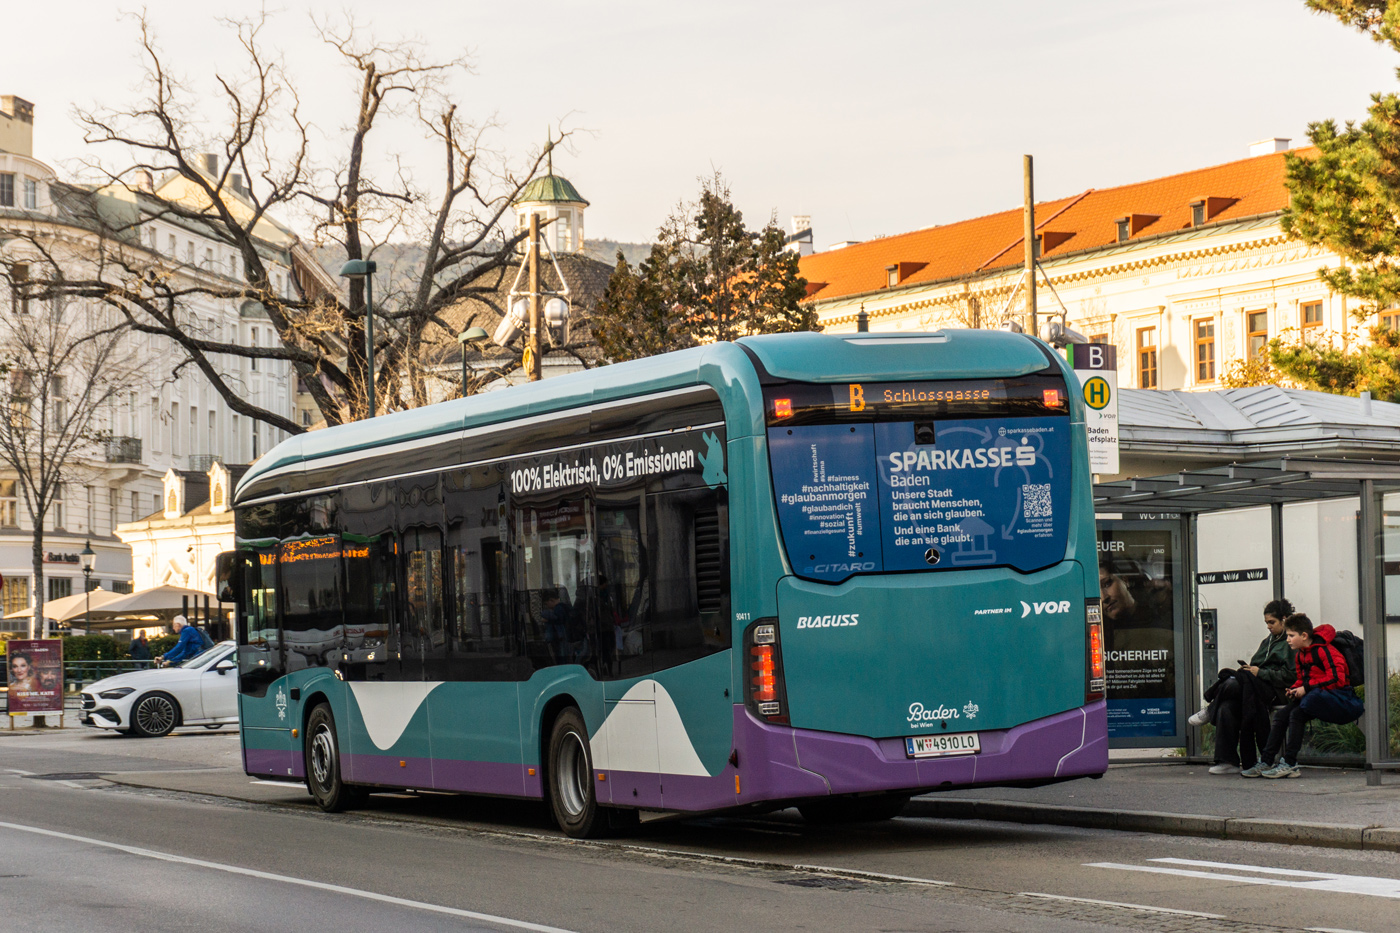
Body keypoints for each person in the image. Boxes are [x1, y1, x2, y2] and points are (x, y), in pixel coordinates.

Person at [1248, 613, 1364, 779]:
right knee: (1282, 716)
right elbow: (1301, 679)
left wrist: (1306, 688)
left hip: (1337, 696)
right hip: (1313, 696)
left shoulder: (1325, 651)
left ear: (1304, 635)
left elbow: (1338, 679)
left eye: (1291, 636)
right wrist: (1295, 689)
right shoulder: (1301, 655)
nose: (1287, 640)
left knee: (1297, 713)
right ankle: (1266, 761)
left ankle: (1290, 763)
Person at [1188, 598, 1296, 774]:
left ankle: (1209, 710)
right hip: (1255, 688)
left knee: (1232, 681)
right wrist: (1251, 671)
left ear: (1284, 619)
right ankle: (1227, 761)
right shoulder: (1267, 641)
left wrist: (1259, 673)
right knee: (1226, 707)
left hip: (1274, 691)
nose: (1268, 626)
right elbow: (1256, 665)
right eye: (1266, 623)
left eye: (1272, 622)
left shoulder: (1291, 642)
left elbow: (1291, 676)